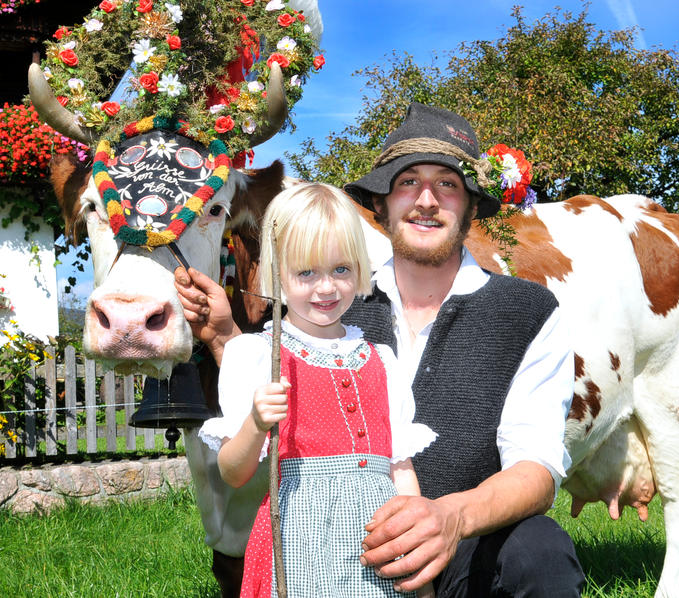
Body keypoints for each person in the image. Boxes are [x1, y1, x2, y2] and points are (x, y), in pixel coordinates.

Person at [176, 103, 585, 597]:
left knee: (539, 555)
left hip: (470, 541)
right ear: (383, 201)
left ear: (472, 205)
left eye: (449, 183)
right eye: (408, 181)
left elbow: (536, 470)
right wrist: (224, 336)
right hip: (346, 543)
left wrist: (450, 517)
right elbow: (280, 375)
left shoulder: (525, 311)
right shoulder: (336, 302)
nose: (427, 200)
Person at [197, 182, 437, 598]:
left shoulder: (381, 360)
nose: (326, 288)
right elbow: (233, 474)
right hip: (298, 542)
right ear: (277, 273)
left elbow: (401, 470)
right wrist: (255, 424)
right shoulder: (256, 356)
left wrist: (421, 570)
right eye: (306, 272)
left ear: (360, 269)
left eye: (341, 269)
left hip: (377, 542)